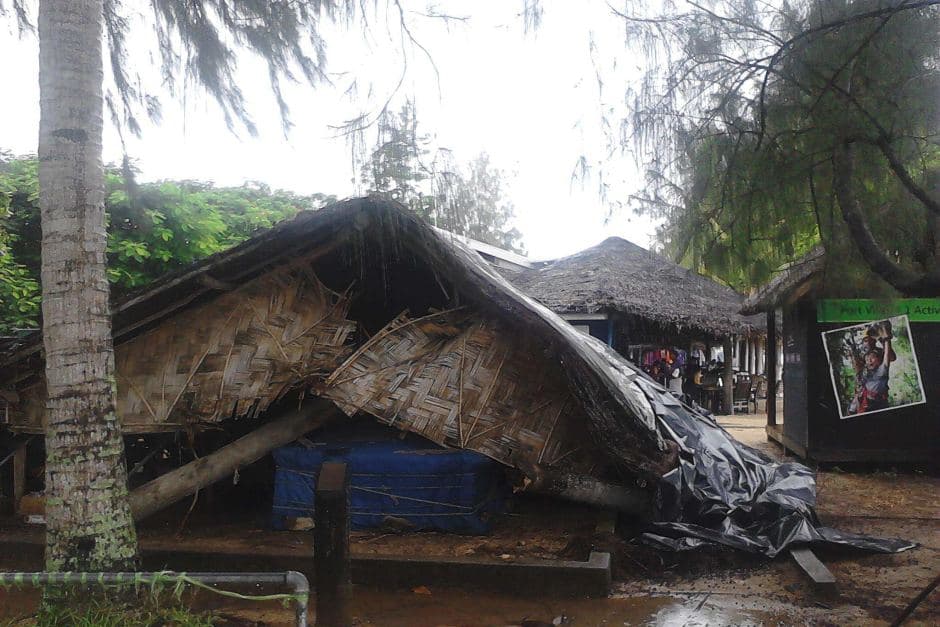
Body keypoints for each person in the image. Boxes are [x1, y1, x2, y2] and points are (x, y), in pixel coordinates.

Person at [848, 320, 896, 414]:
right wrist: (853, 354)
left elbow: (892, 358)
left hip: (879, 388)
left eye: (870, 339)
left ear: (874, 340)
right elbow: (857, 369)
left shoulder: (879, 351)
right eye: (865, 340)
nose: (867, 342)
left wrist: (883, 340)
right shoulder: (862, 353)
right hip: (865, 389)